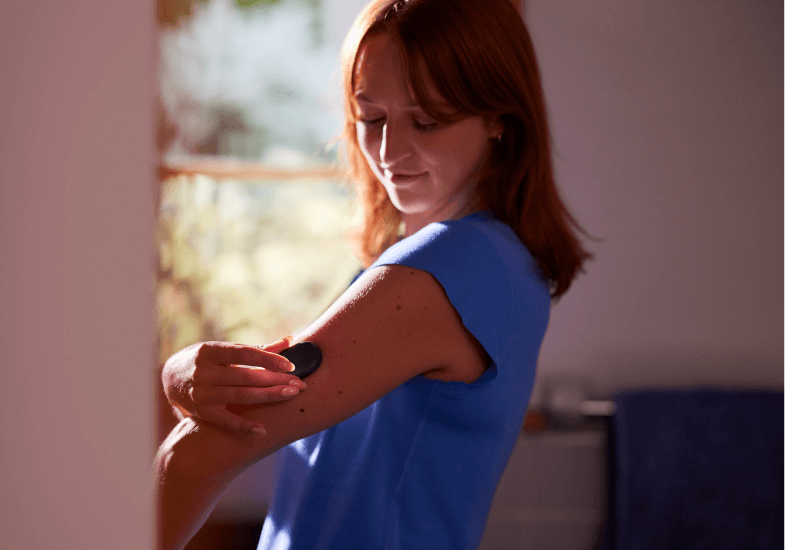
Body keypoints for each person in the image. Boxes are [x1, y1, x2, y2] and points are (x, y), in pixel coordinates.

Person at [155, 0, 592, 548]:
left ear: (499, 119)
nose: (389, 151)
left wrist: (179, 378)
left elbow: (201, 450)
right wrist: (186, 374)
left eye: (427, 121)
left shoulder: (449, 266)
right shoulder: (473, 262)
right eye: (371, 118)